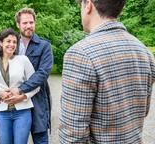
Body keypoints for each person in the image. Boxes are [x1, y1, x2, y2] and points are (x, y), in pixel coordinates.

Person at [59, 0, 155, 143]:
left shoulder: (80, 54)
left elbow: (72, 135)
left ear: (88, 5)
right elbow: (142, 112)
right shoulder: (144, 52)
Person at [5, 7, 54, 144]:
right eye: (25, 23)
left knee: (40, 138)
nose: (28, 26)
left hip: (37, 100)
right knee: (18, 140)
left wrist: (21, 90)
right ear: (18, 24)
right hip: (15, 100)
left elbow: (42, 74)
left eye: (31, 22)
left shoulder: (44, 46)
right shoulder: (11, 45)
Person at [0, 28, 39, 144]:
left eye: (14, 42)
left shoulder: (23, 60)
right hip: (2, 113)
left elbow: (36, 86)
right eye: (8, 41)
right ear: (1, 43)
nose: (12, 44)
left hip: (22, 112)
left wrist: (22, 97)